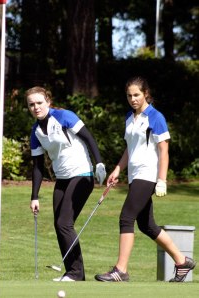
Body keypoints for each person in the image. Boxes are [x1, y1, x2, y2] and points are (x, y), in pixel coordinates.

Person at [95, 76, 196, 283]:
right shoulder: (128, 117)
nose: (133, 99)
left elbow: (164, 150)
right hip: (134, 175)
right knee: (146, 225)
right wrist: (117, 169)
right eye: (129, 95)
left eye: (136, 95)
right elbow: (129, 149)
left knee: (126, 218)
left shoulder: (155, 117)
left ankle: (120, 270)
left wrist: (162, 180)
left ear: (145, 94)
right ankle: (181, 261)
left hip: (148, 174)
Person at [26, 86, 106, 282]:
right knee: (59, 224)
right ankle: (73, 272)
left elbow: (88, 137)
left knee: (64, 223)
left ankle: (76, 273)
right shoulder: (35, 132)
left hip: (82, 175)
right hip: (62, 179)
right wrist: (34, 196)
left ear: (48, 102)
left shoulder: (64, 116)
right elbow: (38, 167)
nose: (36, 107)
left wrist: (100, 163)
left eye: (39, 103)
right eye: (31, 104)